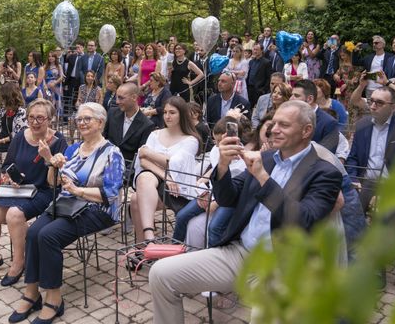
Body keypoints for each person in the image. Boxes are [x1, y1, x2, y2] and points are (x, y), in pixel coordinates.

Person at [148, 101, 342, 324]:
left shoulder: (325, 173)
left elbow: (302, 221)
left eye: (284, 125)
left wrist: (263, 178)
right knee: (161, 274)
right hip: (239, 253)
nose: (273, 129)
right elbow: (227, 198)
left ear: (306, 130)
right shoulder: (266, 158)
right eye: (274, 122)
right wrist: (222, 166)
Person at [10, 103, 124, 324]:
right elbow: (54, 185)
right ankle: (32, 292)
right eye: (79, 119)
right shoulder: (73, 149)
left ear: (100, 122)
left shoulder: (112, 153)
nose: (81, 123)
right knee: (33, 232)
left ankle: (54, 299)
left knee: (48, 235)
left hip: (98, 209)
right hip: (67, 204)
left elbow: (110, 193)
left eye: (87, 119)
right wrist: (52, 164)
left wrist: (78, 190)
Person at [0, 99, 67, 287]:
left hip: (43, 191)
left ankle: (20, 262)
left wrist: (48, 158)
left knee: (14, 214)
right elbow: (6, 165)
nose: (35, 122)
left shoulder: (59, 141)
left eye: (40, 118)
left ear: (50, 119)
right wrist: (7, 176)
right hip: (17, 188)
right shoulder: (20, 136)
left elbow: (59, 178)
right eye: (31, 118)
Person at [130, 96, 200, 243]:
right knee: (144, 178)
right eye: (165, 112)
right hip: (158, 181)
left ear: (182, 114)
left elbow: (173, 162)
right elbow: (143, 161)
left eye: (172, 112)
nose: (167, 116)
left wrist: (149, 153)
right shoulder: (155, 134)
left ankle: (141, 246)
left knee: (136, 199)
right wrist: (166, 175)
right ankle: (149, 237)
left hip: (175, 191)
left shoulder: (191, 140)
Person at [172, 117, 246, 246]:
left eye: (219, 141)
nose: (217, 145)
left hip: (229, 200)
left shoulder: (242, 161)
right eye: (215, 141)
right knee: (182, 216)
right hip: (211, 192)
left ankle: (213, 256)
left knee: (214, 228)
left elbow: (235, 189)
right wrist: (202, 184)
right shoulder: (216, 150)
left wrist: (215, 203)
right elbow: (214, 168)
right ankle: (174, 249)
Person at [346, 86, 395, 211]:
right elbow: (353, 158)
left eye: (379, 103)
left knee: (384, 213)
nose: (373, 106)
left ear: (393, 107)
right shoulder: (362, 125)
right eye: (371, 101)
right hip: (365, 184)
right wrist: (353, 180)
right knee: (347, 209)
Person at [103, 83, 155, 163]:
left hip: (128, 169)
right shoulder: (112, 113)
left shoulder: (147, 125)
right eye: (116, 97)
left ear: (134, 97)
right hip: (105, 161)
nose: (117, 101)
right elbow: (103, 138)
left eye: (121, 98)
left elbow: (139, 156)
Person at [289, 79, 339, 153]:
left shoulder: (329, 122)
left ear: (310, 99)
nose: (291, 99)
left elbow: (326, 154)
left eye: (296, 96)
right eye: (291, 95)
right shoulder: (289, 117)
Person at [246, 43, 272, 109]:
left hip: (259, 90)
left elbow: (269, 77)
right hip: (249, 88)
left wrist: (263, 89)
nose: (255, 51)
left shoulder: (266, 62)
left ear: (261, 51)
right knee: (249, 107)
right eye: (254, 49)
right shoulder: (251, 61)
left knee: (258, 108)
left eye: (257, 50)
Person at [64, 41, 84, 109]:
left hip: (80, 80)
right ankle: (66, 115)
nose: (77, 49)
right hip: (71, 79)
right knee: (68, 96)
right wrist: (66, 53)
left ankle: (75, 111)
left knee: (77, 97)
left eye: (79, 47)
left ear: (83, 48)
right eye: (76, 47)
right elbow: (65, 63)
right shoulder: (72, 56)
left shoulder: (86, 57)